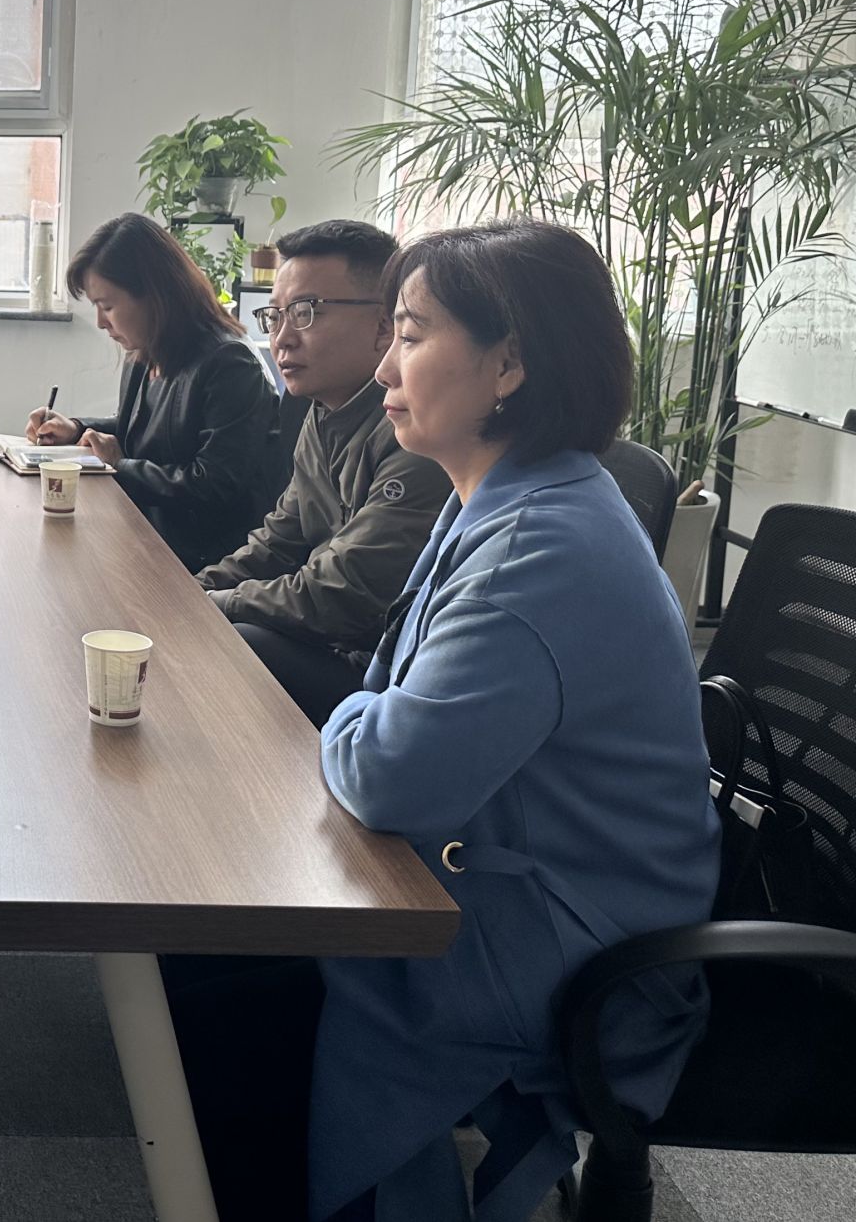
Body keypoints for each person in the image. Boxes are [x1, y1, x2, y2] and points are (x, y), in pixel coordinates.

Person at [167, 221, 718, 1221]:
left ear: (508, 364)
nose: (384, 366)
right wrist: (370, 714)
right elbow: (385, 700)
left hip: (575, 943)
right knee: (202, 948)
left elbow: (388, 773)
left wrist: (354, 717)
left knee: (217, 1003)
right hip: (510, 864)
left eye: (411, 336)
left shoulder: (535, 549)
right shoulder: (498, 496)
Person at [196, 220, 451, 724]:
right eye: (275, 316)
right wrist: (191, 589)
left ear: (384, 325)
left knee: (234, 644)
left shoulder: (416, 430)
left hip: (385, 678)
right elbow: (280, 539)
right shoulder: (321, 411)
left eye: (305, 312)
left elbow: (345, 592)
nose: (281, 339)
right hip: (330, 643)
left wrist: (215, 604)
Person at [23, 213, 278, 570]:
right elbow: (142, 429)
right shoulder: (145, 351)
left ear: (156, 296)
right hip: (145, 535)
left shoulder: (231, 363)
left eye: (107, 306)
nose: (100, 322)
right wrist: (76, 428)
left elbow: (214, 486)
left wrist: (119, 465)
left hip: (203, 561)